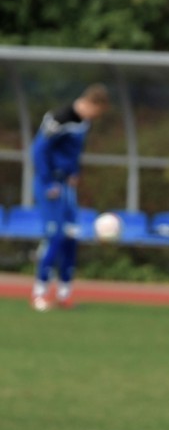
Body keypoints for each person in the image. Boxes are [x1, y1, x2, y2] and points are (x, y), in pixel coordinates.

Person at [30, 83, 111, 311]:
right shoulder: (59, 118)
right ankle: (39, 293)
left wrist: (75, 172)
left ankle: (64, 295)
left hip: (67, 186)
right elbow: (39, 150)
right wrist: (48, 181)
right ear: (91, 103)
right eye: (97, 111)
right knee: (54, 236)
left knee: (71, 237)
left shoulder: (85, 123)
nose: (96, 117)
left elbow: (73, 152)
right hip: (51, 185)